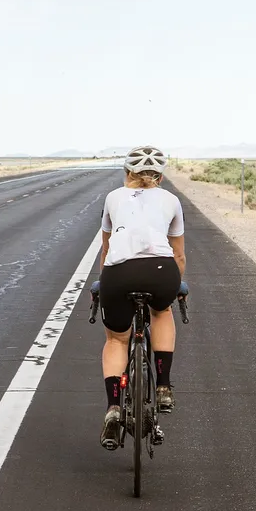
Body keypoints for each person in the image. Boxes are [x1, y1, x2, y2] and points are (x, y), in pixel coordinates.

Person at [96, 145, 186, 450]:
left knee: (117, 340)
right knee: (161, 312)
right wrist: (178, 285)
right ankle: (162, 387)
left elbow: (106, 250)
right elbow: (179, 254)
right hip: (162, 269)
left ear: (126, 173)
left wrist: (102, 283)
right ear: (159, 176)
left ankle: (113, 408)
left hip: (119, 273)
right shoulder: (172, 200)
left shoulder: (113, 198)